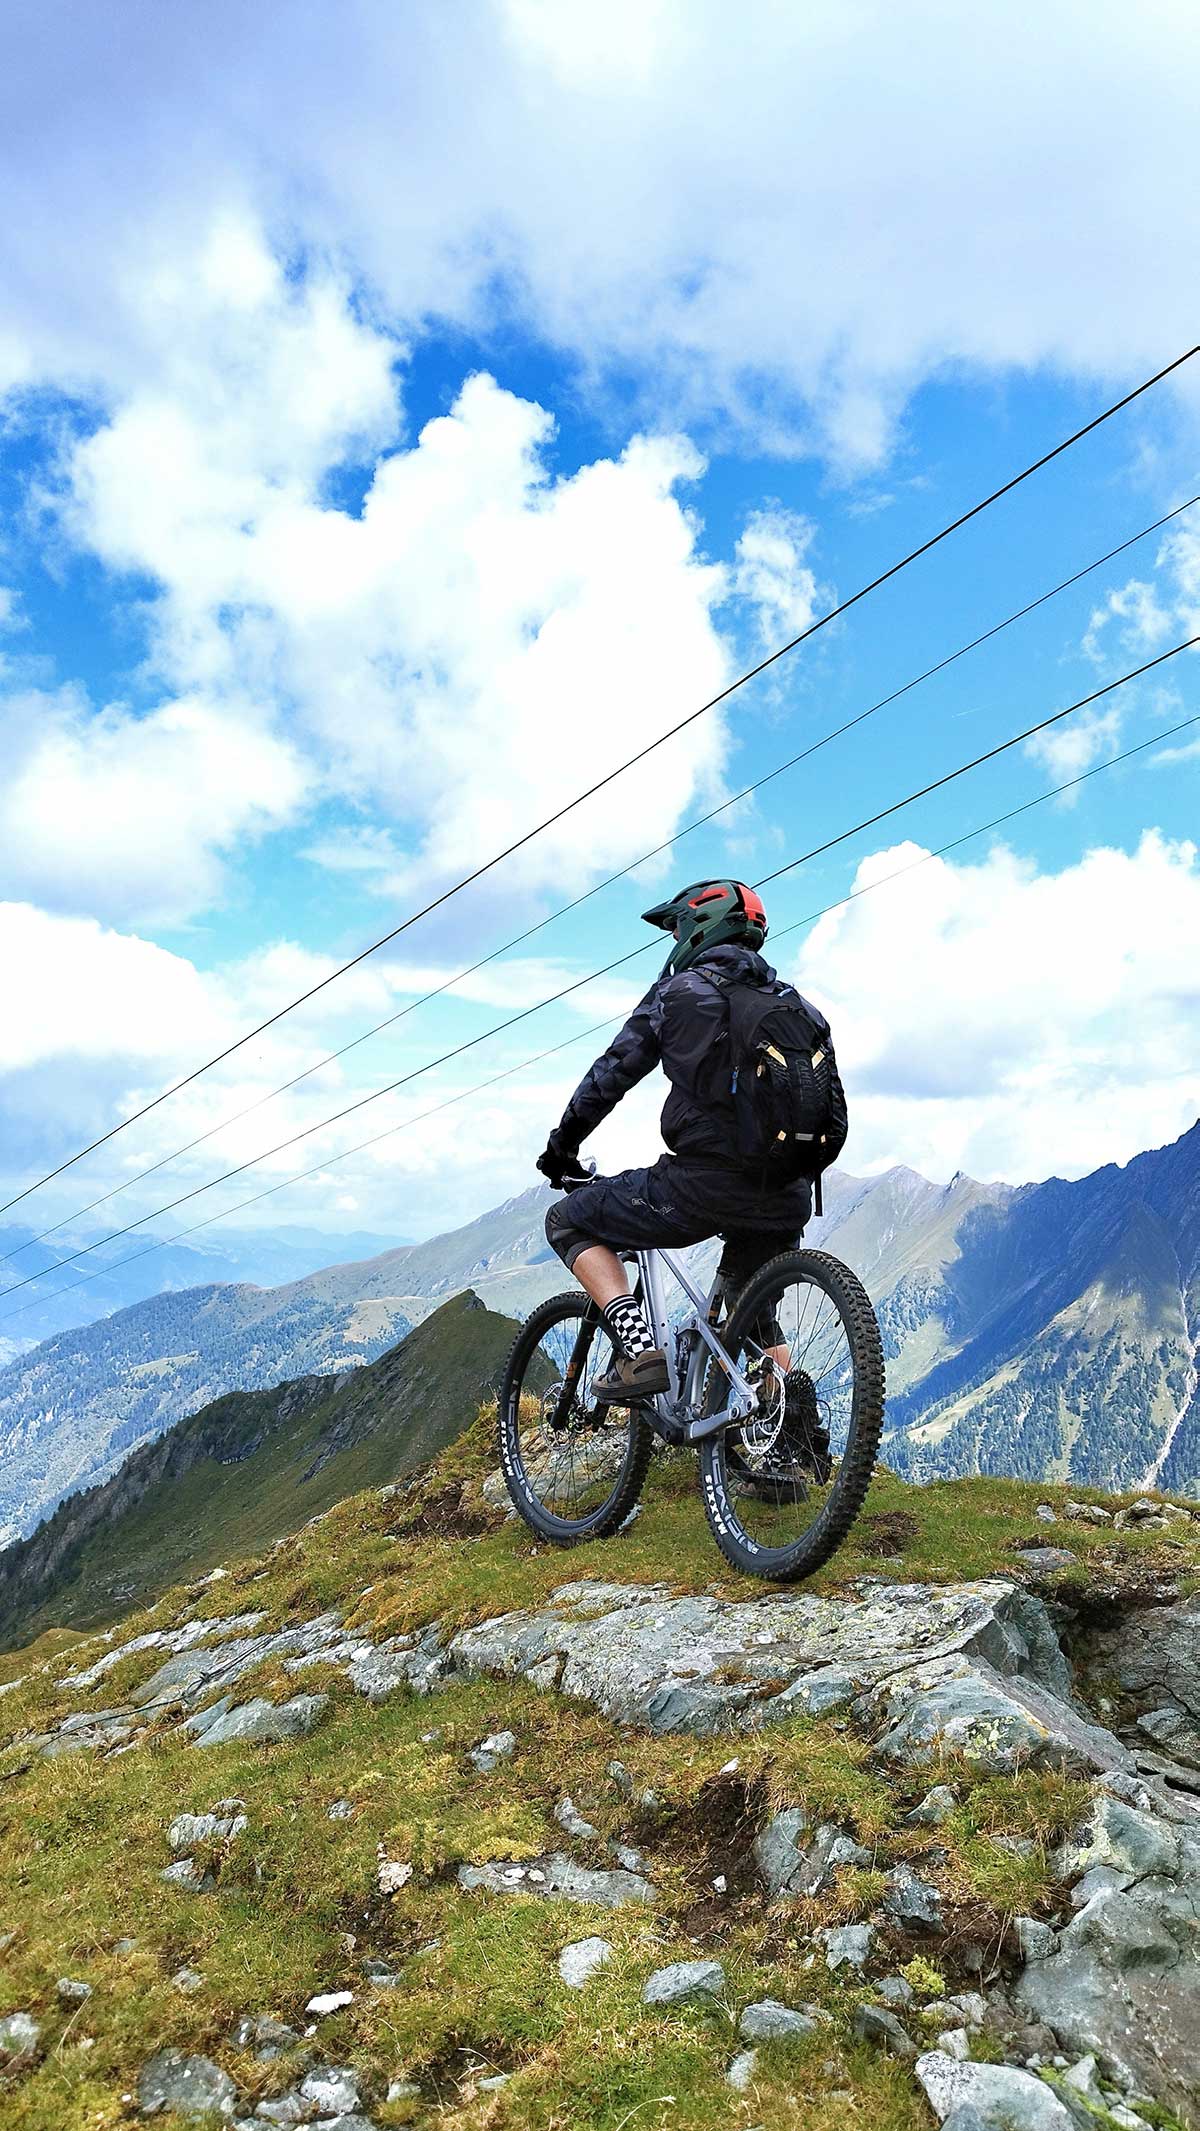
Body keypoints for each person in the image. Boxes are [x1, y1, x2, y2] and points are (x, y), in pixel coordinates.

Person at [536, 879, 831, 1403]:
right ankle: (782, 1435)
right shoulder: (798, 1006)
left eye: (675, 927)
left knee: (567, 1220)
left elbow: (612, 1073)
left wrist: (563, 1146)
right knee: (754, 1312)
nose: (673, 939)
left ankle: (639, 1351)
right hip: (790, 1192)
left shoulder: (679, 993)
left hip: (703, 1187)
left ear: (698, 925)